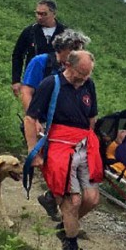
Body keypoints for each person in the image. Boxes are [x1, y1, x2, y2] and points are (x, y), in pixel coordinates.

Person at [24, 50, 101, 250]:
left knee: (92, 198)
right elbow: (31, 117)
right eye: (80, 73)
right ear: (68, 65)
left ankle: (66, 227)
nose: (83, 79)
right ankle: (72, 247)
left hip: (83, 145)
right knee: (72, 202)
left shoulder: (88, 85)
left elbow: (91, 117)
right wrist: (34, 152)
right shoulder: (51, 84)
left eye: (87, 75)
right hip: (59, 144)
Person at [19, 28, 91, 221]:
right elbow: (27, 91)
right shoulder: (41, 62)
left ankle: (54, 200)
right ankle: (64, 213)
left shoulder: (75, 71)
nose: (79, 52)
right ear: (64, 48)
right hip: (42, 121)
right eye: (75, 48)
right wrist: (35, 121)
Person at [11, 0, 66, 98]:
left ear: (54, 14)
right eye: (37, 13)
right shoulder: (30, 31)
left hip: (58, 82)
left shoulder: (65, 33)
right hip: (33, 80)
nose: (39, 17)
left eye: (44, 14)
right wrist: (16, 80)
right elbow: (17, 55)